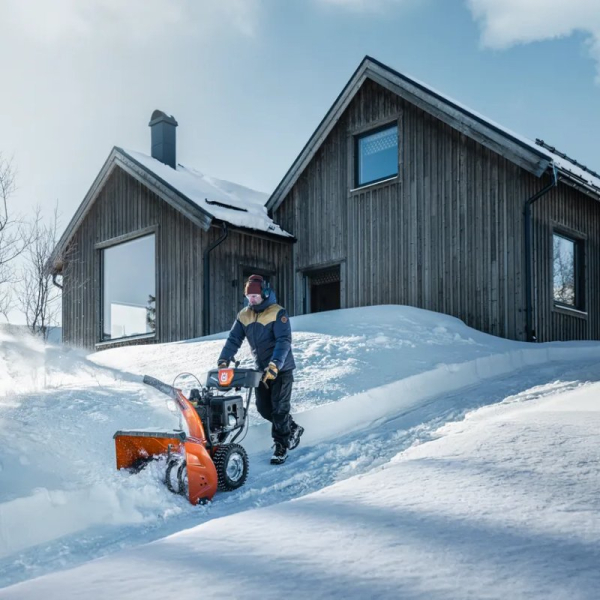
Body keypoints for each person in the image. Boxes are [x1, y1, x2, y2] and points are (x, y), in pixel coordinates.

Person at [218, 274, 304, 464]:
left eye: (255, 296)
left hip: (281, 369)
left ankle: (281, 445)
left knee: (279, 409)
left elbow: (283, 341)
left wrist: (275, 364)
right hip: (261, 370)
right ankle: (292, 428)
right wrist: (224, 360)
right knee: (264, 409)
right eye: (249, 296)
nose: (252, 300)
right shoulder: (244, 315)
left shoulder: (277, 312)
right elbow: (234, 339)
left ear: (265, 293)